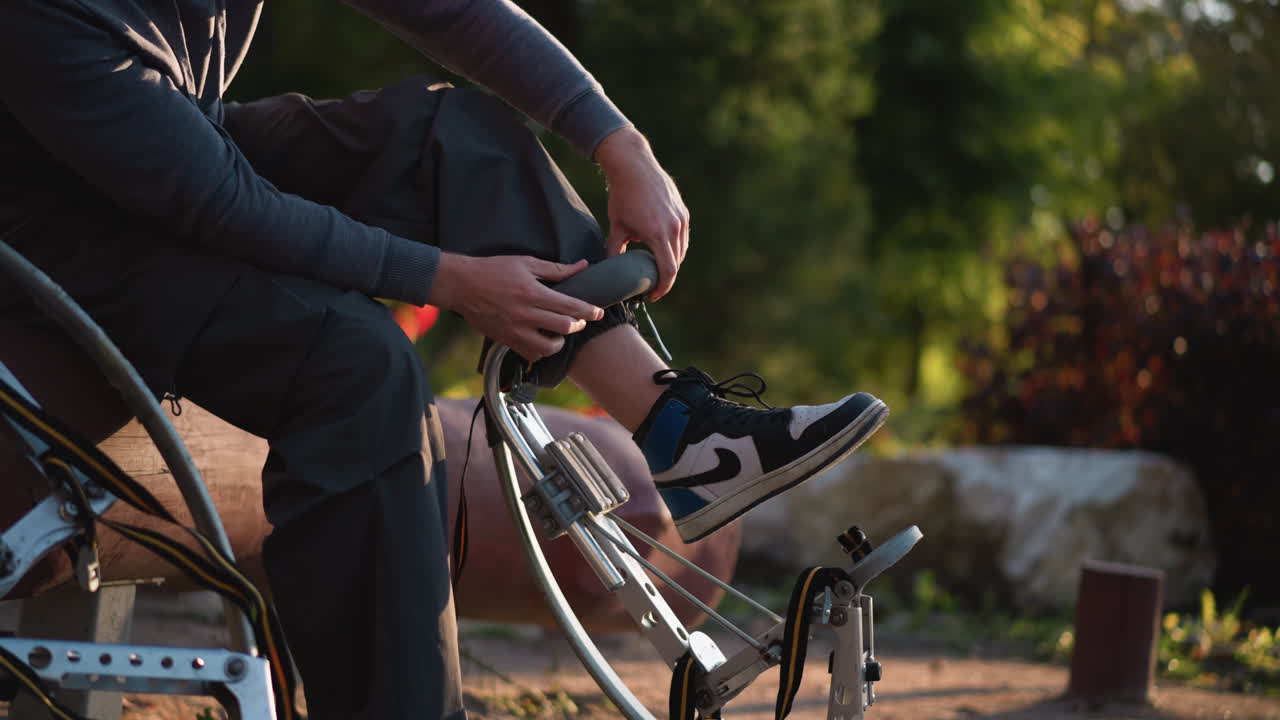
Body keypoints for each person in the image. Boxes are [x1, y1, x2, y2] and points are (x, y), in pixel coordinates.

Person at [0, 1, 888, 717]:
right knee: (354, 365)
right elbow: (222, 208)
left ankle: (685, 437)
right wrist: (452, 279)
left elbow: (454, 12)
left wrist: (621, 142)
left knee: (449, 135)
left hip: (172, 160)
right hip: (51, 245)